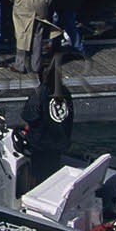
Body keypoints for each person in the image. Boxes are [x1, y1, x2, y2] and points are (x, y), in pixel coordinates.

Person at [20, 50, 73, 187]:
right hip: (59, 143)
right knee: (53, 175)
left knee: (38, 178)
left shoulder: (39, 94)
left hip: (41, 145)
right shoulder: (65, 93)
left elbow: (28, 116)